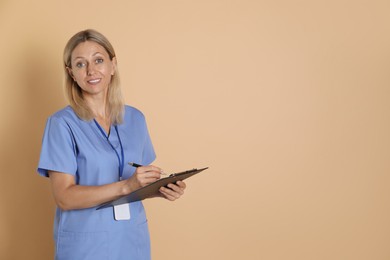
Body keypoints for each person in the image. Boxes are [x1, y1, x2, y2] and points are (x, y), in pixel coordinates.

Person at [37, 29, 186, 260]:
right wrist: (126, 186)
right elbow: (64, 197)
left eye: (98, 60)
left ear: (113, 65)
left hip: (131, 239)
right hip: (86, 244)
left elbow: (136, 183)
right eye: (80, 64)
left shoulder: (136, 119)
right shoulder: (61, 124)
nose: (91, 70)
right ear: (71, 73)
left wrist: (161, 189)